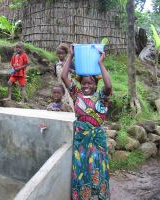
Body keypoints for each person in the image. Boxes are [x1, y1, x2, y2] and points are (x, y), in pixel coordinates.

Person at [61, 44, 112, 200]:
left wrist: (100, 63)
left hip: (97, 138)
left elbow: (108, 85)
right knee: (81, 167)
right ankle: (82, 196)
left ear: (96, 84)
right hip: (81, 138)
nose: (86, 86)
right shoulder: (77, 95)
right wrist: (70, 55)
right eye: (83, 83)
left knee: (98, 165)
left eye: (89, 83)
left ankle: (99, 195)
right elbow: (64, 77)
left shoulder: (102, 98)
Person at [54, 43, 74, 111]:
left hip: (68, 85)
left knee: (69, 99)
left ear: (65, 54)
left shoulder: (69, 63)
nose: (60, 55)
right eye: (59, 53)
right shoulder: (56, 64)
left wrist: (66, 67)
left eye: (62, 53)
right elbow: (56, 75)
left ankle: (71, 112)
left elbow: (75, 72)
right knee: (61, 100)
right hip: (60, 86)